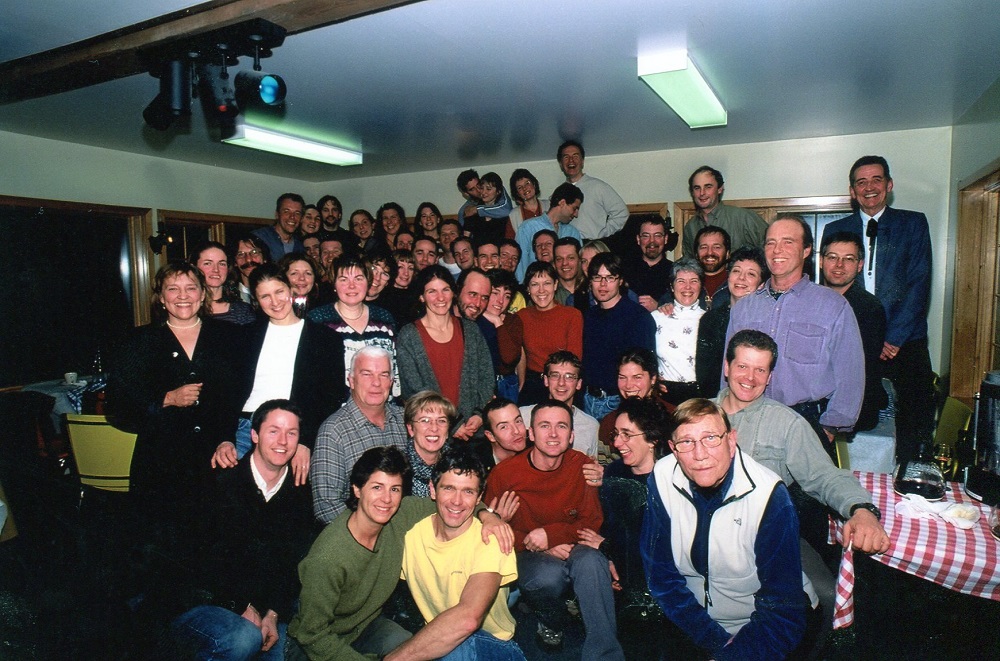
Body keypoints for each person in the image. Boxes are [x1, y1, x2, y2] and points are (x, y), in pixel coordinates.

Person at [716, 330, 889, 646]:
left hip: (767, 537)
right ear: (727, 367)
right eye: (742, 366)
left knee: (825, 595)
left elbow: (825, 477)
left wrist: (861, 509)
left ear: (770, 376)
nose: (750, 378)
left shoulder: (787, 424)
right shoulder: (697, 415)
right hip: (703, 535)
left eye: (760, 369)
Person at [289, 446, 513, 660]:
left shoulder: (401, 514)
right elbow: (312, 634)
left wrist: (488, 515)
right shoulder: (328, 557)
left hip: (365, 627)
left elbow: (455, 505)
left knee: (410, 647)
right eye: (377, 487)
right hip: (317, 643)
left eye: (394, 489)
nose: (386, 499)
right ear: (357, 489)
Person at [642, 398, 807, 660]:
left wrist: (733, 653)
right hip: (692, 623)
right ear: (673, 449)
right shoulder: (662, 477)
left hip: (760, 629)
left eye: (710, 438)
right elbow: (661, 576)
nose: (699, 454)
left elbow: (782, 610)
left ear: (731, 441)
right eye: (686, 442)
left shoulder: (769, 497)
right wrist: (714, 642)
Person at [106, 262, 241, 548]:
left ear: (203, 295)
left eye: (191, 288)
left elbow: (234, 398)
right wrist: (167, 399)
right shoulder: (138, 342)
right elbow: (117, 407)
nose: (183, 295)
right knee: (162, 547)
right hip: (161, 461)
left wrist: (227, 438)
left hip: (214, 459)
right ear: (162, 298)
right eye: (173, 289)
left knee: (215, 541)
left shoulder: (228, 337)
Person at [171, 400, 319, 661]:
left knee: (286, 652)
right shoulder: (219, 481)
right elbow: (194, 563)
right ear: (254, 435)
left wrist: (272, 614)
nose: (282, 441)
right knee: (242, 639)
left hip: (264, 611)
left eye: (291, 433)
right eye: (273, 430)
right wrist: (241, 605)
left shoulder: (300, 495)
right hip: (203, 603)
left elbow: (291, 564)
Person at [483, 400, 623, 659]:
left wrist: (552, 535)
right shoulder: (505, 475)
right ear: (531, 433)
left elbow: (591, 521)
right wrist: (533, 542)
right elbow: (492, 532)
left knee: (593, 562)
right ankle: (552, 619)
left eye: (561, 426)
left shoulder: (582, 466)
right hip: (528, 552)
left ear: (571, 435)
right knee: (546, 576)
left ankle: (605, 654)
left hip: (574, 545)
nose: (553, 434)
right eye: (544, 426)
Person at [821, 155, 934, 461]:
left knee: (914, 420)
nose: (869, 187)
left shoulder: (913, 224)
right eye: (861, 182)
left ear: (889, 185)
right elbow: (832, 283)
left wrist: (894, 337)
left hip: (905, 340)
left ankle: (910, 481)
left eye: (876, 180)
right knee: (854, 414)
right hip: (854, 338)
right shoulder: (835, 227)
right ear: (852, 190)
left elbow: (919, 283)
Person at [726, 214, 865, 446]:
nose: (777, 250)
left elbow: (851, 376)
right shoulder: (744, 308)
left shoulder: (833, 306)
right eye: (770, 242)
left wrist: (829, 428)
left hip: (806, 424)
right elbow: (728, 369)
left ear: (807, 250)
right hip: (747, 420)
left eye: (788, 242)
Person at [389, 446, 525, 661]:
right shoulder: (412, 535)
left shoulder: (491, 538)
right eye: (449, 488)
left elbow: (468, 619)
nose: (457, 501)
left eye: (468, 491)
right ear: (432, 490)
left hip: (493, 645)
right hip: (440, 638)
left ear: (479, 496)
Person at [211, 263, 346, 472]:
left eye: (279, 292)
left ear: (290, 289)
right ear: (256, 300)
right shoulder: (243, 336)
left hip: (294, 431)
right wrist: (225, 439)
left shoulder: (325, 338)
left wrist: (306, 441)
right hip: (247, 428)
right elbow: (225, 391)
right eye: (265, 296)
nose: (274, 302)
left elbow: (331, 396)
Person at [578, 397, 671, 622]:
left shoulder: (670, 479)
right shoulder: (615, 472)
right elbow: (612, 527)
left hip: (662, 583)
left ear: (652, 439)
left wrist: (607, 547)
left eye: (627, 434)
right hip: (622, 572)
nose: (618, 443)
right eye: (616, 434)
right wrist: (609, 558)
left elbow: (660, 545)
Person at [310, 347, 408, 523]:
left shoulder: (405, 420)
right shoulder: (333, 431)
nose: (376, 383)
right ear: (351, 381)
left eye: (384, 375)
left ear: (392, 382)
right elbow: (326, 506)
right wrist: (367, 533)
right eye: (367, 374)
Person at [396, 265, 495, 440]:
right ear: (421, 296)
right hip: (433, 434)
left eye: (445, 290)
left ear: (453, 293)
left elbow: (486, 376)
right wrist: (452, 423)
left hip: (473, 431)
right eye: (432, 291)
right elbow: (413, 390)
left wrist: (479, 413)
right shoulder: (409, 335)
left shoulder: (471, 330)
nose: (440, 298)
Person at [821, 231, 888, 431]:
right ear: (821, 261)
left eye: (848, 259)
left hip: (854, 410)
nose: (839, 265)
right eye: (832, 257)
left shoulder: (870, 308)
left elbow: (857, 370)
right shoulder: (811, 300)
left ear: (860, 265)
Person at [580, 252, 656, 420]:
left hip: (618, 401)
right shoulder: (588, 316)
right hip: (587, 399)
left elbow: (645, 368)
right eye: (597, 277)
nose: (603, 284)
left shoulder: (638, 317)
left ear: (620, 280)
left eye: (610, 277)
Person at [308, 253, 399, 393]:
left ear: (368, 282)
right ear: (334, 284)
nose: (352, 286)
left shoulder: (384, 318)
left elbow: (393, 369)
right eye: (343, 279)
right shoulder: (318, 319)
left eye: (358, 279)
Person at [503, 262, 583, 406]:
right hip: (533, 385)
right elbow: (519, 354)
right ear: (527, 288)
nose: (541, 290)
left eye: (546, 283)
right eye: (534, 284)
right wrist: (522, 383)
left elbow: (574, 359)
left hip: (562, 383)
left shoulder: (572, 315)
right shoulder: (522, 316)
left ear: (555, 285)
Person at [695, 246, 768, 397]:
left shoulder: (766, 320)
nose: (741, 278)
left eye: (751, 274)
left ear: (761, 284)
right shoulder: (711, 319)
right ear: (728, 277)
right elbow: (705, 374)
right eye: (736, 271)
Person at [520, 350, 599, 458]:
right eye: (555, 375)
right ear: (546, 380)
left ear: (579, 384)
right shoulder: (523, 416)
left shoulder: (590, 425)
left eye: (569, 377)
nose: (561, 383)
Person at [651, 257, 705, 405]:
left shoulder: (709, 320)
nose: (688, 287)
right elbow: (644, 355)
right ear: (672, 286)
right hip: (665, 396)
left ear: (701, 286)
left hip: (699, 397)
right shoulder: (656, 318)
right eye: (681, 281)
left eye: (694, 281)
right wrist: (652, 379)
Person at [681, 165, 768, 258]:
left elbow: (769, 251)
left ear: (720, 189)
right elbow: (690, 264)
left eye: (708, 187)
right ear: (692, 192)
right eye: (697, 188)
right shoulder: (690, 227)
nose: (702, 193)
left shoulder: (743, 218)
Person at [557, 139, 629, 239]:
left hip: (592, 247)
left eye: (575, 156)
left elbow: (621, 213)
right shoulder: (558, 193)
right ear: (561, 164)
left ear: (582, 161)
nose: (571, 160)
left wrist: (602, 235)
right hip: (568, 250)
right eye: (566, 157)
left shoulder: (598, 187)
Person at [514, 182, 584, 281]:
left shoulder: (572, 232)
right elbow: (520, 267)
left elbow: (580, 267)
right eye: (574, 208)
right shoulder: (528, 227)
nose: (576, 214)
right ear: (562, 203)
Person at [402, 391, 458, 498]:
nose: (434, 428)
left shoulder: (460, 464)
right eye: (425, 420)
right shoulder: (398, 467)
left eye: (441, 421)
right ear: (411, 428)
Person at [190, 241, 255, 325]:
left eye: (222, 264)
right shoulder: (187, 309)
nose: (216, 269)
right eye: (208, 263)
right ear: (194, 267)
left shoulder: (242, 311)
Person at [621, 215, 674, 311]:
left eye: (657, 235)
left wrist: (658, 307)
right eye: (646, 236)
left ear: (665, 239)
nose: (652, 241)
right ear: (638, 239)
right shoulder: (624, 270)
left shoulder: (675, 272)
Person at [464, 171, 515, 246]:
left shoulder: (505, 215)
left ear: (498, 192)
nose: (483, 192)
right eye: (481, 188)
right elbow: (465, 239)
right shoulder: (472, 212)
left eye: (488, 189)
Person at [253, 193, 306, 260]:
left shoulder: (300, 247)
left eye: (297, 213)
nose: (292, 217)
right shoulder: (259, 238)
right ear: (277, 214)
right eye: (286, 211)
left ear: (301, 218)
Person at [694, 225, 731, 304]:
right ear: (696, 254)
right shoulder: (684, 285)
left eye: (716, 247)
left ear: (727, 253)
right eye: (704, 247)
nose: (710, 252)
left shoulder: (737, 284)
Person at [509, 167, 547, 233]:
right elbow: (510, 242)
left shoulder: (550, 205)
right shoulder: (514, 215)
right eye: (520, 187)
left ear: (534, 184)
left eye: (527, 183)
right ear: (517, 193)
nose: (525, 188)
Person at [234, 234, 269, 304]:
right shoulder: (230, 296)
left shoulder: (277, 290)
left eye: (254, 252)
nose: (248, 259)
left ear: (264, 258)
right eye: (241, 254)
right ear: (235, 262)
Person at [553, 236, 585, 305]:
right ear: (554, 263)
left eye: (570, 258)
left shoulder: (591, 288)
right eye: (559, 259)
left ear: (580, 260)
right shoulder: (548, 292)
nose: (564, 263)